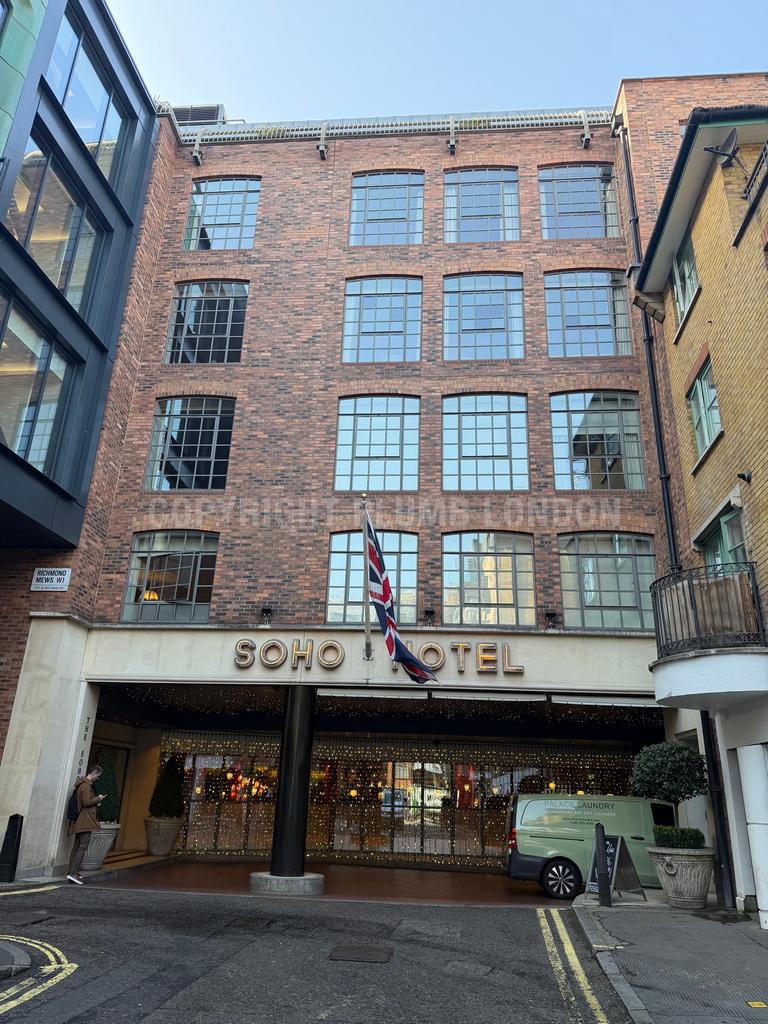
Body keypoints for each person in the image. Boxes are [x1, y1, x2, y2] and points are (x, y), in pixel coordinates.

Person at [67, 765, 104, 885]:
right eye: (98, 776)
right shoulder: (86, 786)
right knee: (82, 847)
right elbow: (86, 802)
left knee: (76, 847)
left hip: (80, 820)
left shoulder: (81, 784)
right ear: (94, 773)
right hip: (85, 821)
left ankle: (72, 871)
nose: (98, 778)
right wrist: (98, 798)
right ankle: (73, 873)